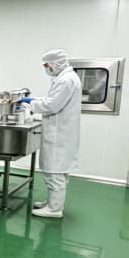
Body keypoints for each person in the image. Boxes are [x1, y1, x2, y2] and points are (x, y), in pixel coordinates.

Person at [20, 49, 81, 218]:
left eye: (46, 65)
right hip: (61, 130)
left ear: (55, 64)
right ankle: (52, 202)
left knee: (55, 172)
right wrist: (34, 100)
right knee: (56, 171)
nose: (46, 69)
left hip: (60, 133)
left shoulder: (66, 80)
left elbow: (51, 105)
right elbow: (51, 100)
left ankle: (54, 209)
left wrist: (29, 105)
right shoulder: (65, 78)